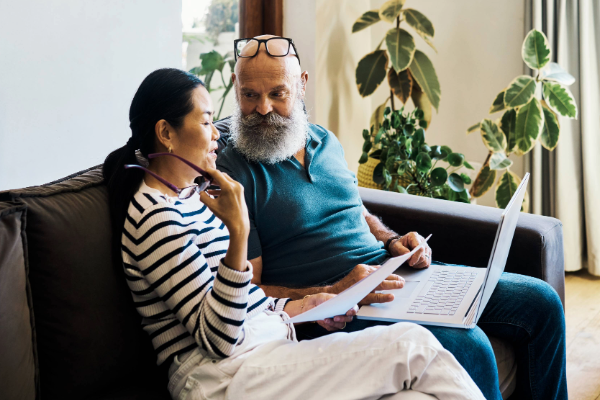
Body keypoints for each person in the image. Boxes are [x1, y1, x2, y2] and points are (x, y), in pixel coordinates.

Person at [216, 35, 568, 400]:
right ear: (236, 88)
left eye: (278, 93)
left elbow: (353, 208)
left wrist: (391, 240)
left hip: (393, 273)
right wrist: (332, 292)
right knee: (471, 345)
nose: (263, 109)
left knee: (540, 303)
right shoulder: (231, 174)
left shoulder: (324, 140)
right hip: (342, 308)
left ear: (302, 85)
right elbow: (247, 293)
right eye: (250, 95)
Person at [101, 68, 484, 400]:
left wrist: (314, 305)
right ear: (166, 133)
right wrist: (239, 233)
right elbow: (219, 338)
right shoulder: (154, 218)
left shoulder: (190, 198)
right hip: (221, 378)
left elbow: (245, 304)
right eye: (204, 122)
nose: (216, 134)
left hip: (263, 351)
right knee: (413, 345)